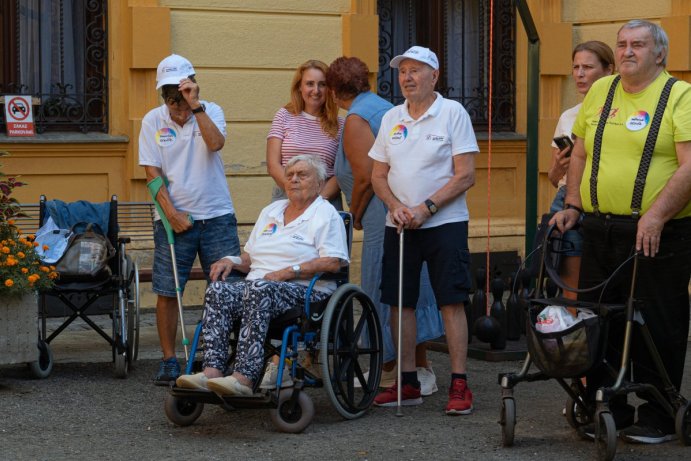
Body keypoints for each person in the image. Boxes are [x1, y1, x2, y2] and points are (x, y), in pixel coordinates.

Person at [551, 20, 691, 444]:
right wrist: (573, 203)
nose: (628, 51)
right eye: (623, 44)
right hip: (599, 227)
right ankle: (606, 406)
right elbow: (578, 153)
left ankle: (660, 414)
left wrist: (656, 215)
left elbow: (689, 165)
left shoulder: (679, 96)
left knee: (656, 320)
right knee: (599, 317)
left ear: (660, 53)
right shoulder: (601, 90)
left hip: (658, 231)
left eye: (639, 45)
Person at [175, 155, 349, 395]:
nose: (294, 179)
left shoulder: (325, 213)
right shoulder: (272, 211)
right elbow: (250, 258)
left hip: (305, 291)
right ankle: (211, 372)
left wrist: (288, 272)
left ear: (319, 183)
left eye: (302, 175)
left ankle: (243, 378)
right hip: (261, 286)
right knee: (218, 289)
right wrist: (231, 260)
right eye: (290, 176)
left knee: (258, 289)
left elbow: (333, 262)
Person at [368, 46, 478, 414]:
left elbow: (465, 175)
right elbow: (377, 175)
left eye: (416, 70)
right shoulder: (391, 118)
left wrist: (425, 208)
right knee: (400, 303)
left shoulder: (452, 113)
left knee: (450, 300)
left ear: (435, 76)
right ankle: (408, 381)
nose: (408, 77)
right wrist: (395, 206)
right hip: (399, 224)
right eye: (403, 72)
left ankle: (460, 383)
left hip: (444, 223)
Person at [326, 56, 445, 394]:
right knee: (410, 283)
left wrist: (357, 213)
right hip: (404, 207)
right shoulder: (383, 106)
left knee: (383, 284)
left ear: (335, 92)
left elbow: (365, 176)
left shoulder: (356, 118)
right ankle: (419, 368)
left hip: (381, 211)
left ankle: (392, 368)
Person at [139, 54, 242, 385]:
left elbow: (216, 143)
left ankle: (220, 356)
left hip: (217, 215)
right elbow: (152, 173)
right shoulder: (153, 121)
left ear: (193, 86)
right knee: (169, 291)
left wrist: (195, 107)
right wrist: (171, 213)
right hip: (173, 220)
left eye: (181, 96)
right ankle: (170, 360)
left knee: (225, 288)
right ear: (162, 96)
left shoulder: (210, 111)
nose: (177, 107)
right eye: (171, 99)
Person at [548, 42, 614, 301]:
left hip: (602, 201)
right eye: (575, 67)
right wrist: (557, 168)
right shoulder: (568, 116)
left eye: (587, 67)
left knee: (602, 278)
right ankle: (572, 335)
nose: (579, 73)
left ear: (608, 71)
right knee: (570, 279)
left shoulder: (620, 111)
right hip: (567, 199)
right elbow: (555, 179)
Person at [266, 59, 344, 210]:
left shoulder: (340, 124)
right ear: (299, 87)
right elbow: (273, 164)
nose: (316, 90)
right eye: (310, 84)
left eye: (322, 84)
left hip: (324, 201)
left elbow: (340, 172)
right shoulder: (284, 116)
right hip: (286, 197)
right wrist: (296, 195)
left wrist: (315, 202)